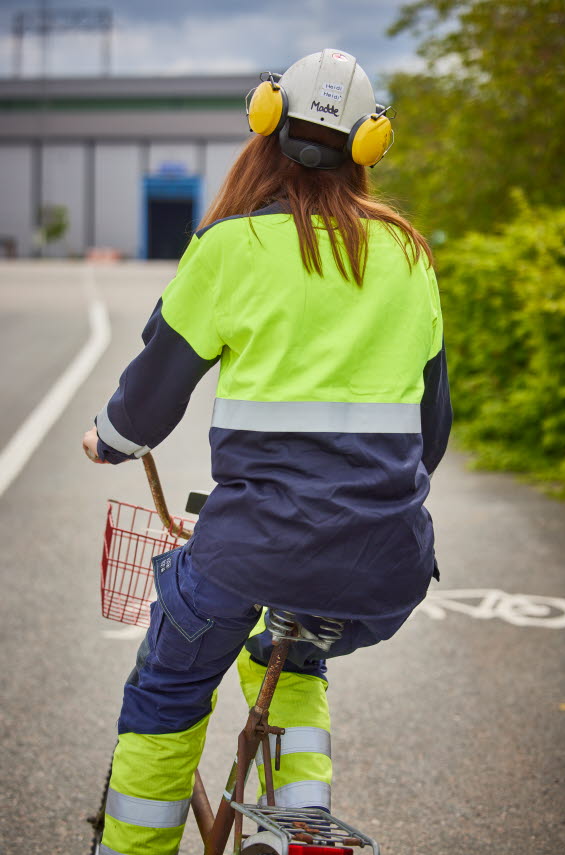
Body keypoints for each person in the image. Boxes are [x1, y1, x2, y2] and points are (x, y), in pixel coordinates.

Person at [83, 48, 452, 855]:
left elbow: (147, 402)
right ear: (368, 146)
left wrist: (109, 442)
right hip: (386, 565)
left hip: (253, 549)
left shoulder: (228, 249)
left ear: (263, 121)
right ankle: (305, 836)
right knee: (293, 655)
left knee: (169, 683)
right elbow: (431, 439)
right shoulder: (410, 257)